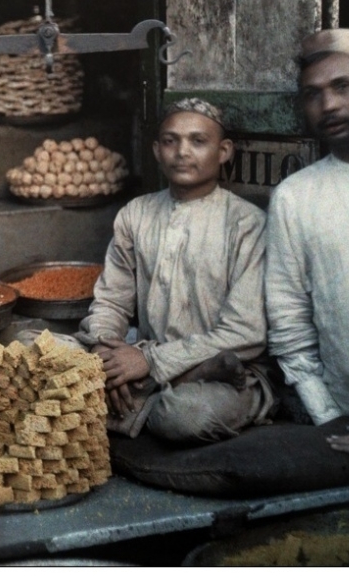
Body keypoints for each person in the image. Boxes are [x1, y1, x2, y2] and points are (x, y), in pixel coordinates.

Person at [73, 98, 279, 443]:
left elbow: (245, 332)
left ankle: (151, 392)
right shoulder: (135, 214)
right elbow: (111, 302)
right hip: (138, 354)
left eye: (198, 141)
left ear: (224, 150)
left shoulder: (248, 224)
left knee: (184, 415)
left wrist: (150, 362)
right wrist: (104, 358)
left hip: (228, 372)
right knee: (33, 349)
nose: (182, 152)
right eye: (171, 141)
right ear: (156, 150)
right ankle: (139, 388)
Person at [266, 28, 349, 465]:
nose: (328, 105)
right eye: (312, 94)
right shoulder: (295, 197)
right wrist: (328, 414)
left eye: (342, 86)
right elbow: (288, 319)